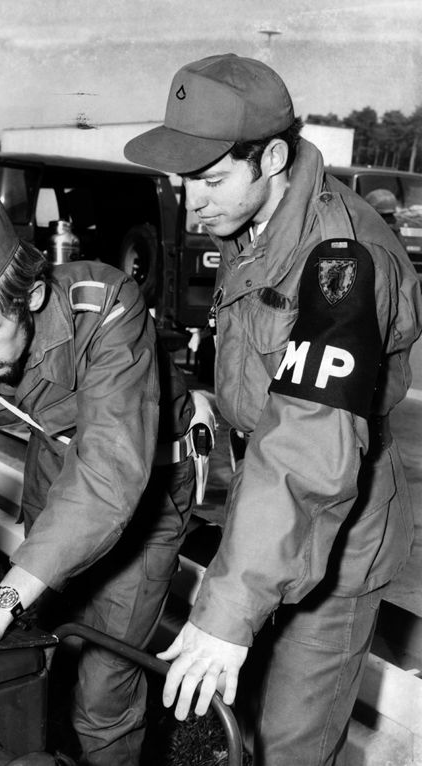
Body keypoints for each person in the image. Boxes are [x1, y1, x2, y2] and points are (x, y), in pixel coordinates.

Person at [124, 53, 422, 764]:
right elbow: (263, 364)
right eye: (182, 181)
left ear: (275, 157)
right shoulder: (256, 224)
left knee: (289, 748)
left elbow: (311, 443)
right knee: (249, 733)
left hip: (333, 532)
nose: (190, 203)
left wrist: (228, 612)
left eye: (211, 180)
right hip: (268, 519)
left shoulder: (341, 260)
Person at [0, 187, 198, 766]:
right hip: (56, 473)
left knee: (103, 690)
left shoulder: (106, 308)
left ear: (34, 295)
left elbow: (107, 478)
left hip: (145, 483)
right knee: (37, 655)